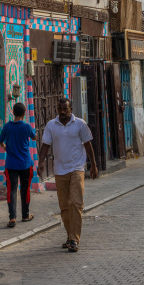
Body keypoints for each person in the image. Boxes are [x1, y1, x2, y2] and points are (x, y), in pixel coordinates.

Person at [38, 98, 98, 253]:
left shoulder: (80, 124)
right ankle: (69, 235)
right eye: (60, 109)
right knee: (64, 206)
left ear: (71, 109)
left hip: (77, 168)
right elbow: (45, 145)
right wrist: (41, 163)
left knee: (76, 203)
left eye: (65, 109)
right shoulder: (52, 125)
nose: (62, 112)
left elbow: (88, 145)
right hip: (59, 170)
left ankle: (74, 239)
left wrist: (93, 165)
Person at [0, 102, 37, 228]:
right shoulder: (26, 127)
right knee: (25, 190)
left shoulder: (7, 127)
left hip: (11, 164)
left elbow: (0, 141)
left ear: (13, 112)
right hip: (26, 163)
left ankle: (12, 218)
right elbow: (34, 137)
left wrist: (6, 148)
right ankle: (25, 215)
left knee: (11, 190)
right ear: (24, 113)